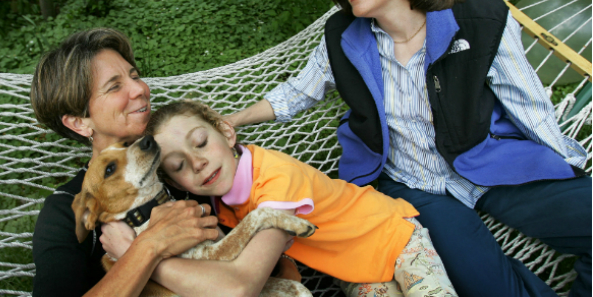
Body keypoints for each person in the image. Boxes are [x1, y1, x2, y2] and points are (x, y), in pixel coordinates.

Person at [225, 0, 592, 297]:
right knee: (485, 284)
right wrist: (231, 119)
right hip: (412, 186)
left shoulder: (481, 21)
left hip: (488, 163)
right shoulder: (344, 36)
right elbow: (299, 92)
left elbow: (530, 107)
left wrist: (567, 166)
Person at [30, 28, 298, 297]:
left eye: (135, 76)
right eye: (114, 86)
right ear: (79, 122)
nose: (140, 89)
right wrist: (149, 246)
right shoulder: (66, 210)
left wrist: (283, 264)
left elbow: (249, 226)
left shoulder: (182, 163)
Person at [145, 99, 458, 297]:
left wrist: (148, 262)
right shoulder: (220, 207)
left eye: (200, 143)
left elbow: (250, 268)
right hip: (351, 269)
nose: (196, 162)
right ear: (174, 180)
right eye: (178, 165)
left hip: (392, 237)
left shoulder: (276, 178)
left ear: (227, 133)